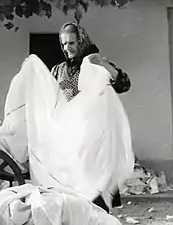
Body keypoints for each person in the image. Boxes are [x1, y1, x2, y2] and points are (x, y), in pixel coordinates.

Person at [51, 22, 131, 213]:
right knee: (71, 195)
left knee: (95, 195)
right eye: (64, 44)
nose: (67, 48)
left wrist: (103, 64)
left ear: (81, 41)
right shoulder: (58, 70)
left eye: (71, 43)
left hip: (94, 140)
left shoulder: (95, 65)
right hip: (70, 138)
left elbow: (124, 85)